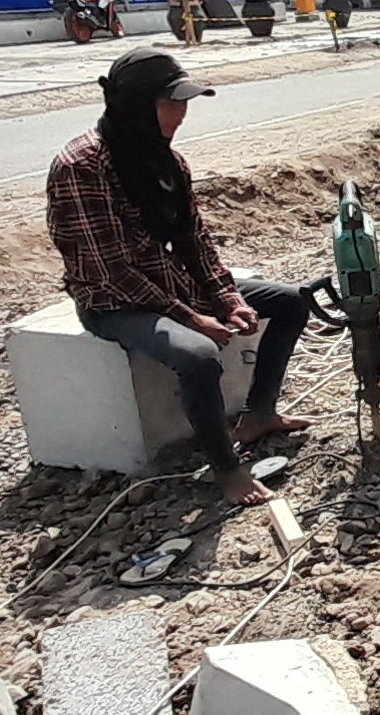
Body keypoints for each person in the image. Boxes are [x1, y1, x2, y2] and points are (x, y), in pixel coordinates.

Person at [47, 51, 312, 506]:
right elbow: (111, 271)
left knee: (291, 302)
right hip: (113, 302)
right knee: (199, 355)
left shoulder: (166, 162)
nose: (181, 113)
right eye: (171, 103)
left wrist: (227, 299)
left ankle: (260, 412)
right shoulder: (82, 168)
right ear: (136, 107)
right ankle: (227, 470)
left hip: (171, 288)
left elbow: (195, 242)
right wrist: (190, 318)